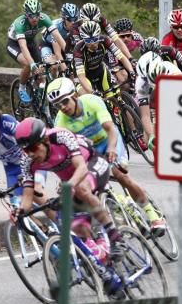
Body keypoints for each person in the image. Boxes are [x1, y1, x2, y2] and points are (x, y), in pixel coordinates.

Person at [13, 117, 125, 295]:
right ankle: (107, 272)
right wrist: (20, 211)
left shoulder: (60, 136)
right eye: (26, 150)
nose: (30, 154)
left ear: (45, 141)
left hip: (92, 164)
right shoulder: (27, 161)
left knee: (81, 188)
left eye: (33, 148)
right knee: (76, 228)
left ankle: (116, 237)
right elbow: (28, 195)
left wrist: (68, 188)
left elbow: (81, 167)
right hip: (71, 182)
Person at [47, 76, 166, 233]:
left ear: (75, 96)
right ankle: (119, 205)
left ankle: (153, 216)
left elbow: (110, 129)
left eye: (65, 101)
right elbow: (65, 153)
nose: (62, 107)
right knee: (92, 186)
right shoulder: (60, 122)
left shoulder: (92, 102)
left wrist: (111, 149)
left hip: (109, 140)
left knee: (120, 174)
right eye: (57, 105)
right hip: (91, 151)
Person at [6, 0, 63, 102]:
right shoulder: (20, 23)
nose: (35, 18)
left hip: (31, 43)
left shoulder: (44, 18)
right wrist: (32, 64)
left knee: (42, 72)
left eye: (37, 14)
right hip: (14, 44)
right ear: (26, 15)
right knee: (28, 64)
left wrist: (69, 52)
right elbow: (23, 46)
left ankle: (41, 102)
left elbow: (58, 37)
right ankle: (22, 88)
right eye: (31, 16)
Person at [72, 20, 134, 96]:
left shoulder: (104, 40)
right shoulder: (78, 49)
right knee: (89, 96)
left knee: (112, 95)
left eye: (95, 39)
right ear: (83, 39)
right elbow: (81, 77)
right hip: (84, 75)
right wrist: (92, 92)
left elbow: (121, 57)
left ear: (98, 36)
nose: (92, 44)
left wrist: (131, 71)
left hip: (99, 70)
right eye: (88, 40)